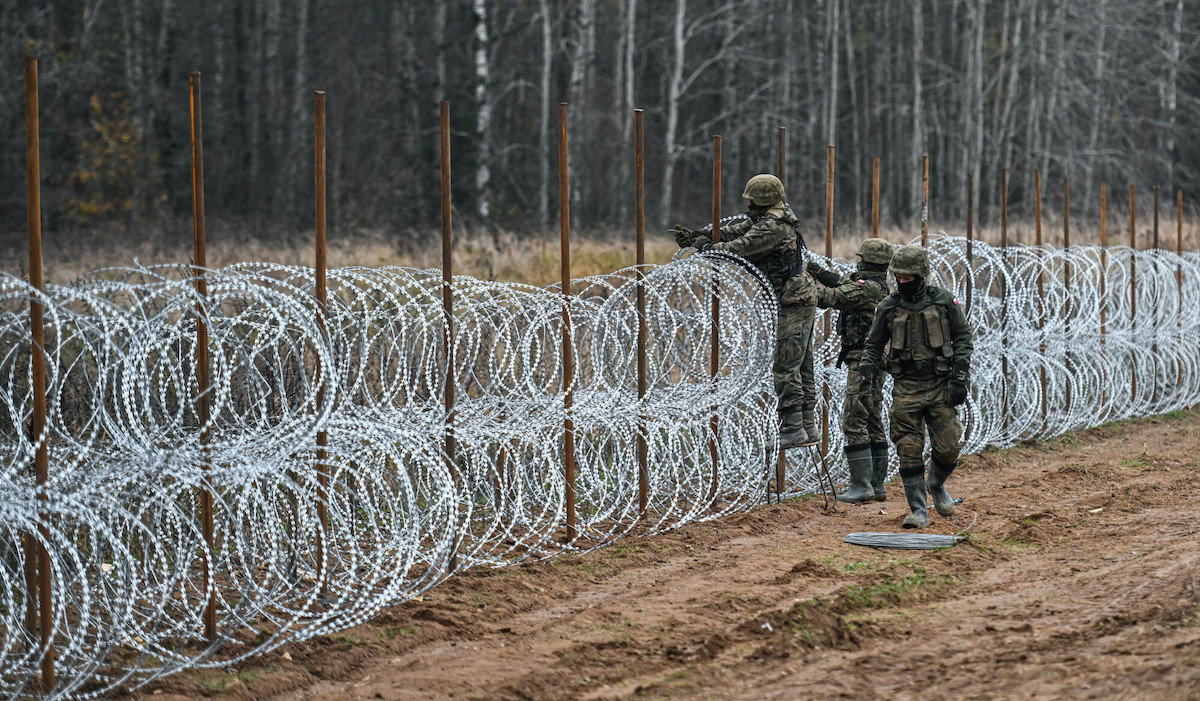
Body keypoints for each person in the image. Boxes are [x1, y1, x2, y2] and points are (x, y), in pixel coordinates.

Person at [673, 174, 818, 449]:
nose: (748, 205)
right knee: (801, 363)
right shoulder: (772, 220)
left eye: (751, 200)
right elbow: (738, 231)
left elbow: (736, 250)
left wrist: (704, 246)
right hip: (796, 297)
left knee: (786, 364)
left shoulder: (772, 228)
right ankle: (807, 424)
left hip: (792, 299)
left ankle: (794, 427)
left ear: (762, 201)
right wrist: (701, 235)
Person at [857, 244, 973, 528]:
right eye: (899, 277)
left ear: (921, 275)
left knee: (949, 446)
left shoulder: (944, 301)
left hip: (940, 384)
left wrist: (960, 377)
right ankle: (919, 511)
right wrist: (865, 377)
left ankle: (937, 483)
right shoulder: (889, 306)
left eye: (909, 277)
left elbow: (963, 339)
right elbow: (873, 346)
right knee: (908, 448)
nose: (903, 281)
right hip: (906, 386)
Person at [806, 238, 893, 503]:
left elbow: (832, 296)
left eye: (861, 259)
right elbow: (844, 284)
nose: (858, 262)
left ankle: (861, 487)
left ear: (867, 262)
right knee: (872, 418)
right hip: (873, 361)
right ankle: (876, 486)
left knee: (854, 419)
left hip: (864, 363)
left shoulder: (869, 290)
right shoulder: (875, 286)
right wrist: (817, 271)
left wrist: (799, 285)